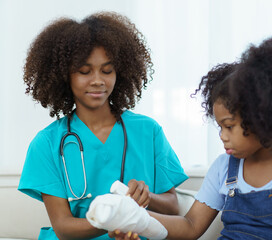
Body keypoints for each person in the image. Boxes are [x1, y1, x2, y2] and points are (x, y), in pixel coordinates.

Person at [111, 37, 272, 240]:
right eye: (220, 127)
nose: (222, 136)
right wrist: (137, 221)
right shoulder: (225, 167)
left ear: (263, 117)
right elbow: (190, 226)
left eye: (229, 126)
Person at [18, 12, 188, 240]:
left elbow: (172, 206)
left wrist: (145, 198)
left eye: (107, 70)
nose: (98, 80)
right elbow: (63, 227)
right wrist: (113, 219)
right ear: (64, 76)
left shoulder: (148, 131)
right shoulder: (47, 143)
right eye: (84, 71)